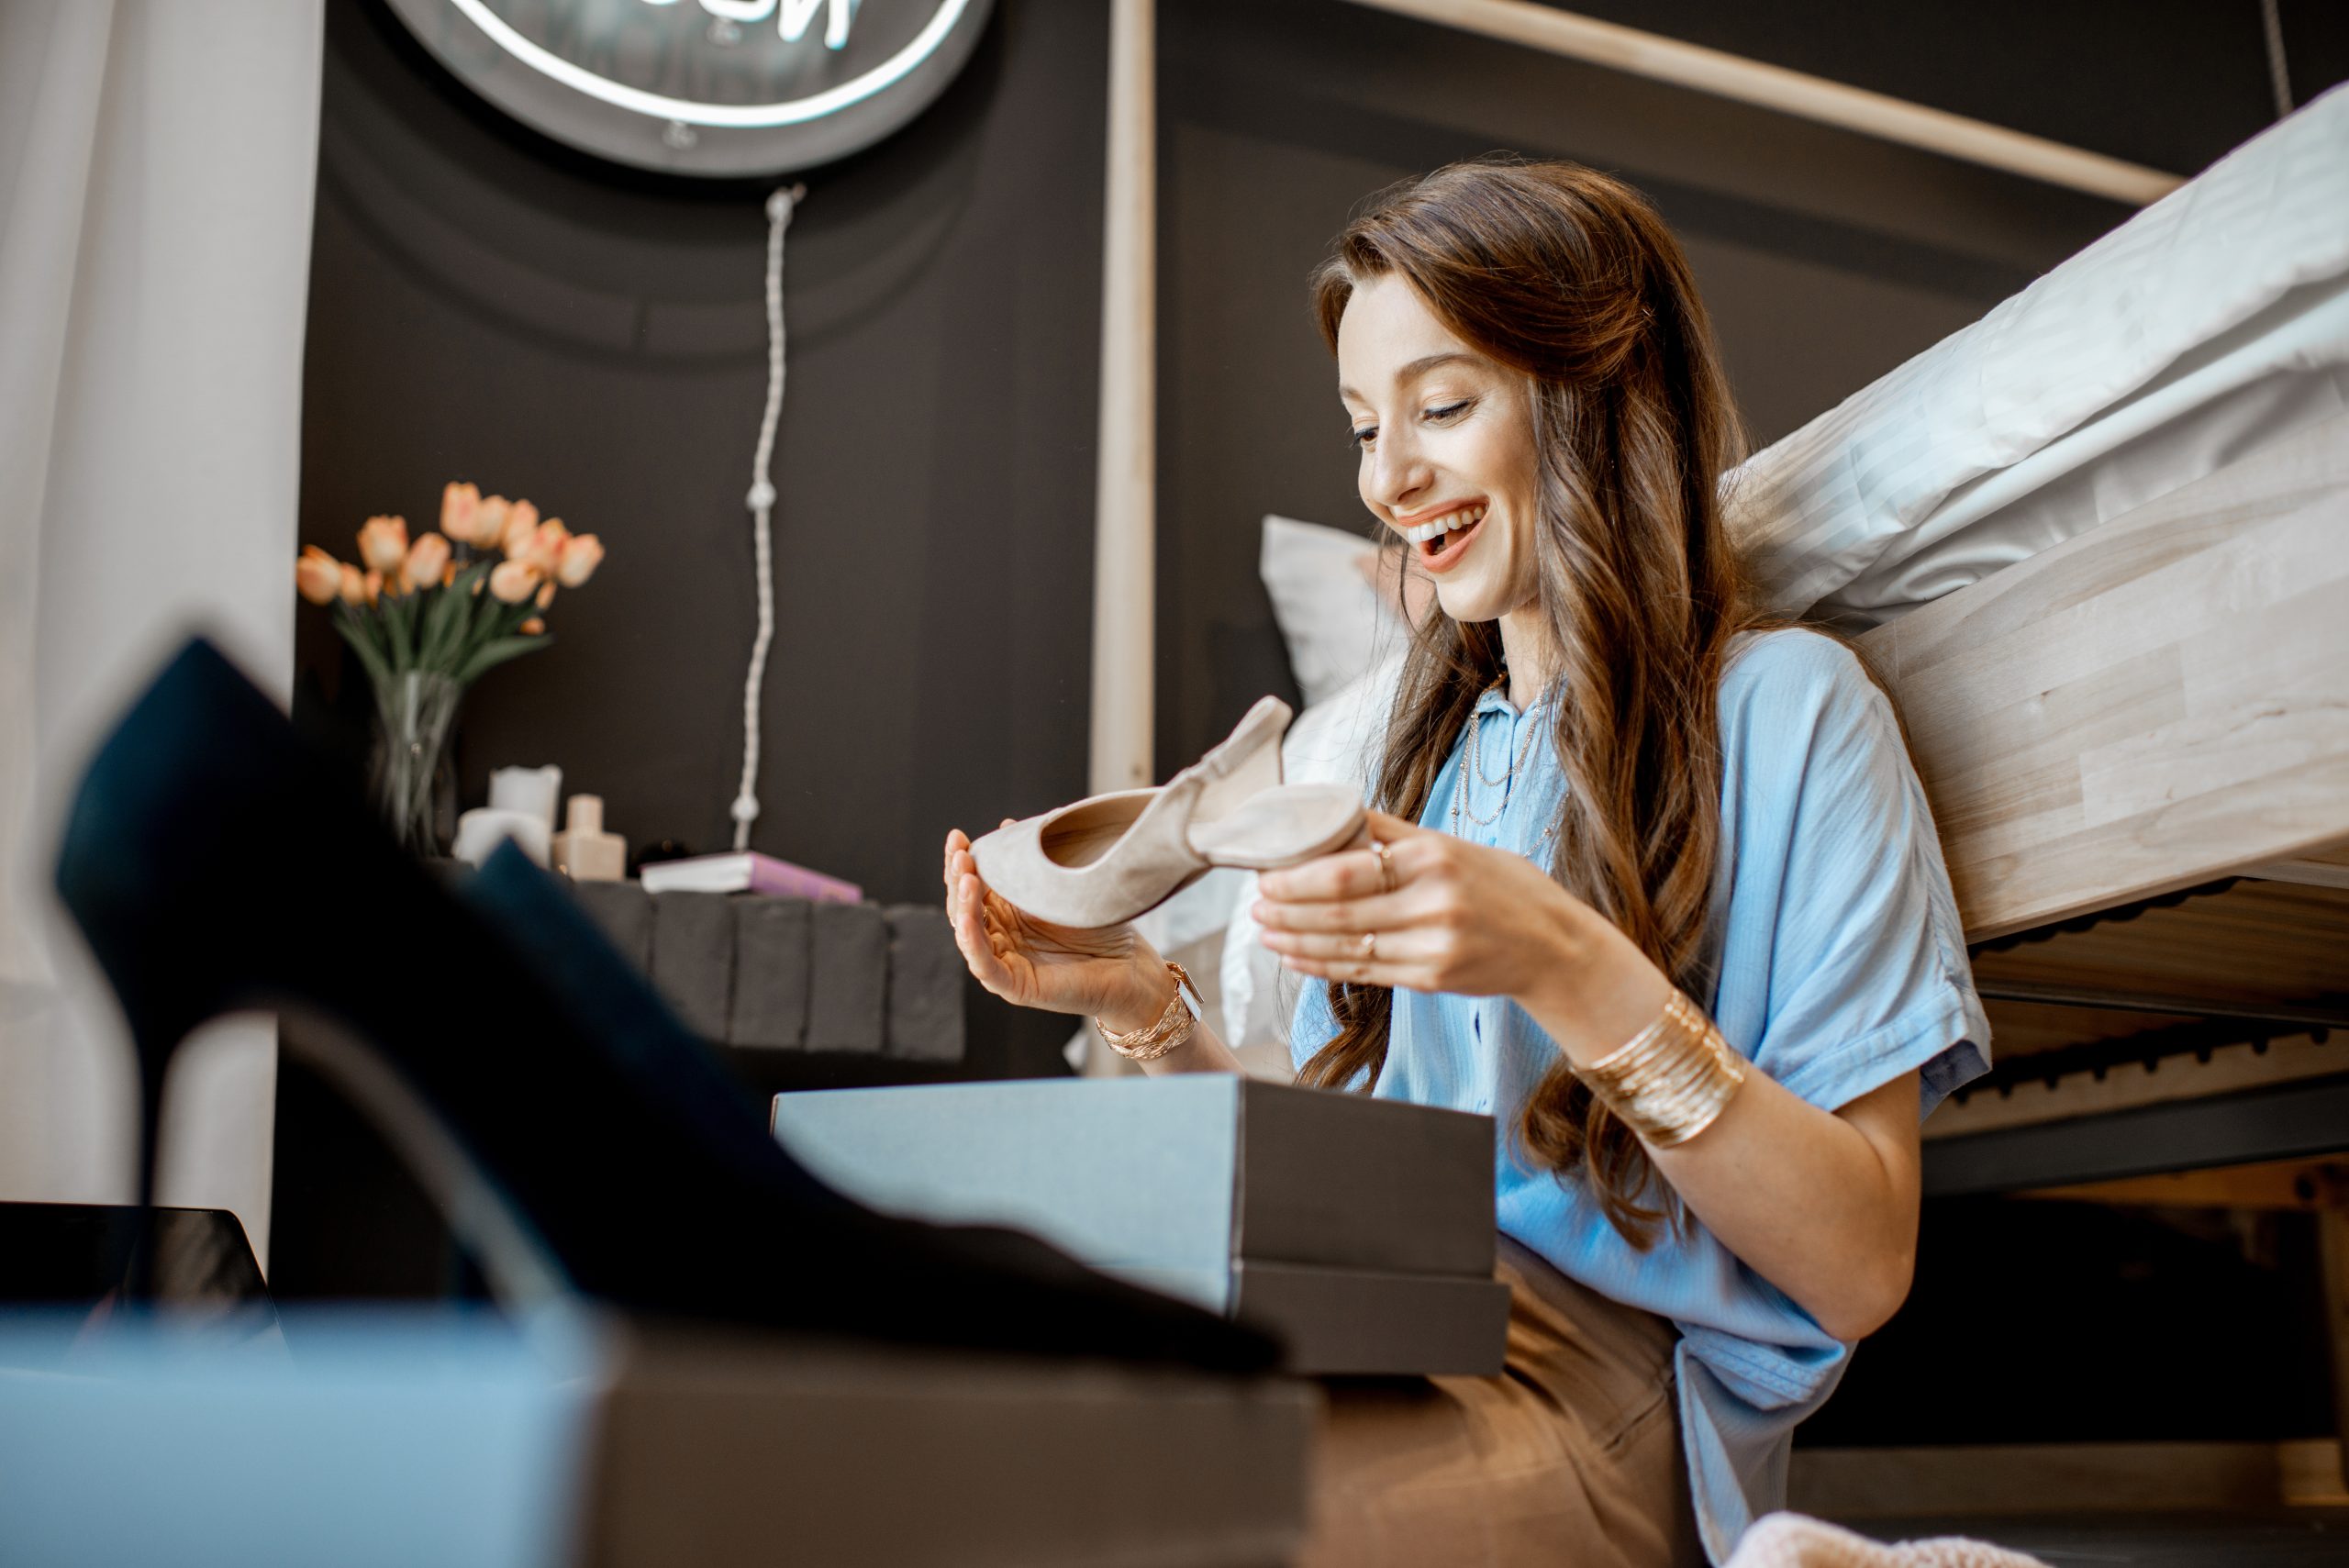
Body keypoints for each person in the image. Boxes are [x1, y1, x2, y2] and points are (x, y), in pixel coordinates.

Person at [941, 159, 1989, 1568]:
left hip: (1617, 1383)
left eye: (1441, 406)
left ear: (1597, 392)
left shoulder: (1791, 714)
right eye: (1367, 427)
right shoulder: (1391, 768)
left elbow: (1861, 1264)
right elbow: (1341, 1158)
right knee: (974, 1462)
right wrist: (1144, 1005)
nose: (1390, 476)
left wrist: (1562, 956)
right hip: (1384, 1314)